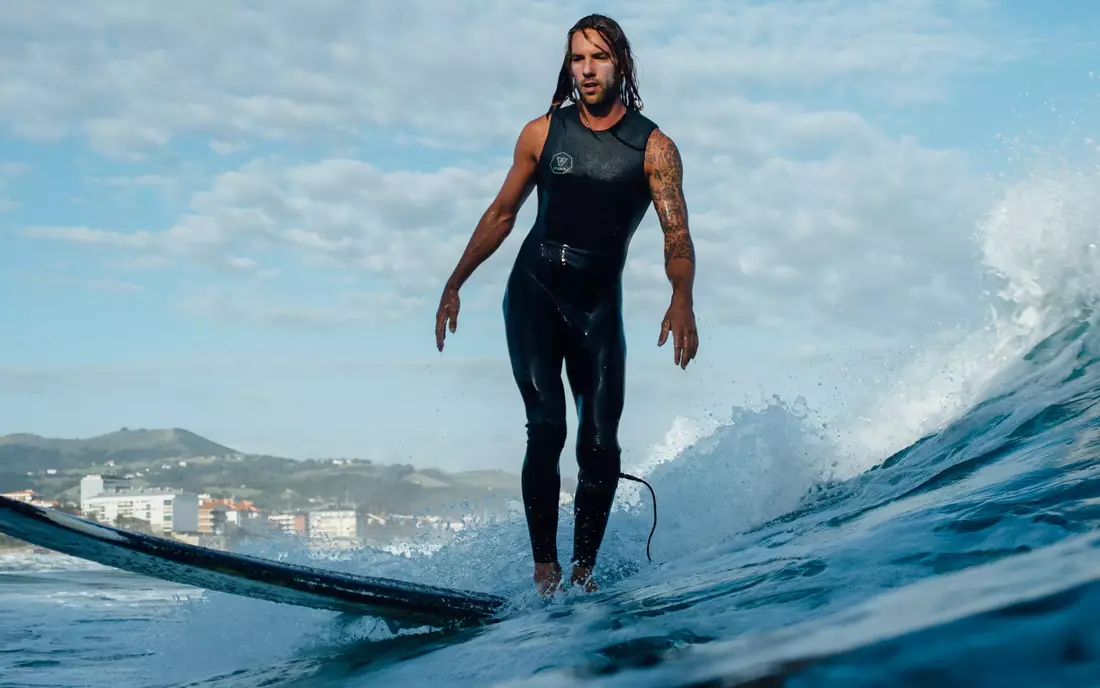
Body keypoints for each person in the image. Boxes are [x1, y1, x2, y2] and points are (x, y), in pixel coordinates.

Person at [434, 14, 698, 596]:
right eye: (578, 58)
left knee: (600, 443)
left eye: (598, 57)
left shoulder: (654, 148)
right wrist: (455, 282)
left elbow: (676, 235)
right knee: (547, 425)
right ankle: (545, 574)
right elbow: (502, 213)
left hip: (597, 308)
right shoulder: (541, 134)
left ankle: (583, 573)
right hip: (534, 292)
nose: (587, 69)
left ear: (620, 64)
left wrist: (681, 297)